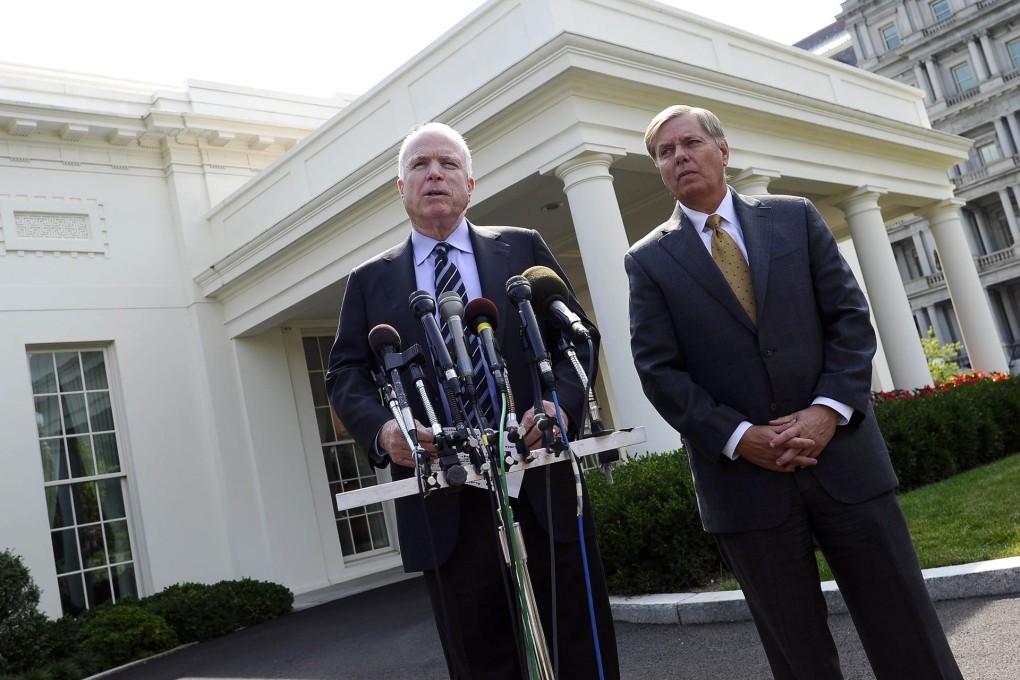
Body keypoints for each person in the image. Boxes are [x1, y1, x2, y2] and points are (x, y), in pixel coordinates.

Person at [625, 105, 962, 680]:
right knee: (799, 656)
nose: (679, 156)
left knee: (907, 630)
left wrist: (827, 412)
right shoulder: (648, 260)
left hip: (845, 462)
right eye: (664, 151)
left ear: (722, 150)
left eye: (690, 143)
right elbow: (660, 372)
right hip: (746, 486)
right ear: (659, 169)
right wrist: (738, 437)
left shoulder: (793, 218)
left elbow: (851, 321)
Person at [326, 122, 618, 679]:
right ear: (401, 188)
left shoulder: (524, 249)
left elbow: (577, 337)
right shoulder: (368, 281)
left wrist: (560, 405)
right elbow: (345, 374)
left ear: (470, 184)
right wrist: (385, 430)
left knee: (579, 651)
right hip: (446, 504)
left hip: (542, 483)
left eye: (447, 164)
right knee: (483, 663)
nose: (434, 173)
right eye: (419, 165)